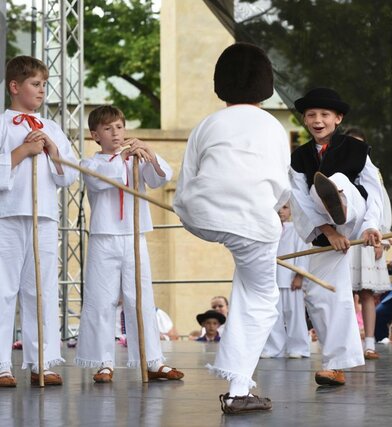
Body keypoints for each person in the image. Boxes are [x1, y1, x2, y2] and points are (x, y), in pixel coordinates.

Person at [173, 43, 290, 414]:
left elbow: (187, 176)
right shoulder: (273, 126)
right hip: (253, 222)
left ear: (221, 84)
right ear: (265, 86)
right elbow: (280, 186)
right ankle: (239, 389)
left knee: (246, 277)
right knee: (260, 298)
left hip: (199, 215)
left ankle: (238, 383)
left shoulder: (207, 124)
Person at [75, 105, 183, 384]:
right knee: (102, 299)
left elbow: (161, 178)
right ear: (95, 135)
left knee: (141, 297)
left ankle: (152, 361)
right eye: (108, 128)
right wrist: (122, 158)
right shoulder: (91, 163)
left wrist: (149, 154)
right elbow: (103, 183)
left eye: (119, 127)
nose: (115, 133)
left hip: (135, 235)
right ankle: (103, 362)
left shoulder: (134, 159)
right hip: (104, 237)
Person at [289, 87, 383, 386]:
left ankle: (338, 200)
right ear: (305, 120)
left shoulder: (357, 149)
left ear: (338, 118)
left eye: (325, 115)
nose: (318, 120)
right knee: (322, 294)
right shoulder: (299, 157)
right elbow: (299, 201)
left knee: (338, 181)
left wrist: (370, 226)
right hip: (324, 230)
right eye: (312, 115)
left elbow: (375, 191)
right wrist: (328, 231)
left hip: (354, 217)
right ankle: (335, 365)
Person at [0, 56, 79, 387]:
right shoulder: (2, 124)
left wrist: (50, 150)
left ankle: (41, 361)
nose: (42, 91)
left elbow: (70, 174)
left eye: (45, 85)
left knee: (41, 291)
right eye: (35, 84)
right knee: (4, 290)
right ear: (14, 87)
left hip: (43, 217)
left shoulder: (52, 127)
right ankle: (2, 364)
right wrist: (22, 153)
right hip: (7, 216)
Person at [344, 127, 392, 360]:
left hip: (366, 237)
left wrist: (380, 237)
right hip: (345, 237)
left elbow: (380, 202)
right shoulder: (338, 168)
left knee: (366, 292)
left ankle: (370, 343)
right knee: (344, 293)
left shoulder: (372, 171)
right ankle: (347, 342)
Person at [261, 204, 311, 359]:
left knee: (294, 315)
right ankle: (274, 348)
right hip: (272, 279)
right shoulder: (267, 230)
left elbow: (303, 253)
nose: (280, 211)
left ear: (290, 210)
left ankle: (299, 347)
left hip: (290, 280)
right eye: (277, 207)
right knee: (273, 316)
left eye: (284, 207)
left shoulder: (296, 230)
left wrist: (299, 275)